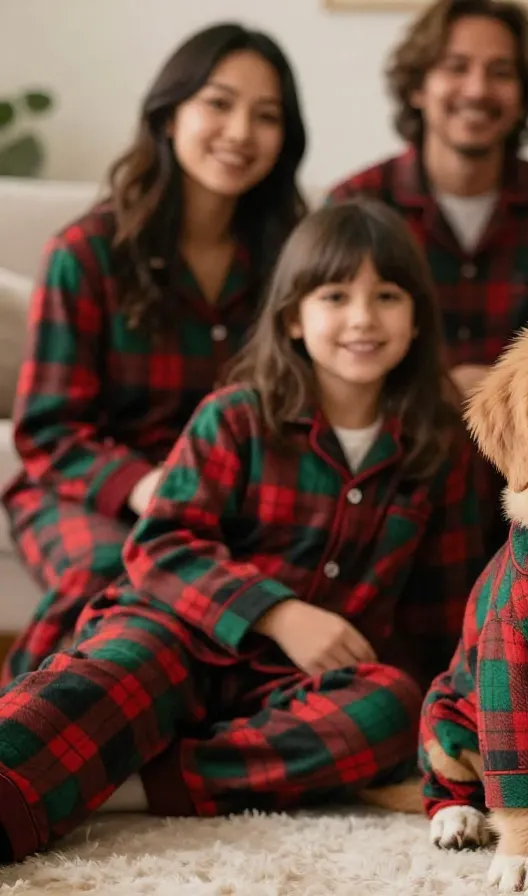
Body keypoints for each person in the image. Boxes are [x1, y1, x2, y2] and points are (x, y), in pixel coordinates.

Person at [0, 198, 493, 864]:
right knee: (116, 670)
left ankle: (134, 783)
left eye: (387, 296)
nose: (361, 319)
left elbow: (443, 610)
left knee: (391, 708)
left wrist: (449, 718)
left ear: (416, 321)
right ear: (293, 318)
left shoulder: (440, 444)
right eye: (335, 295)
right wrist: (280, 615)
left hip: (301, 686)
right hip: (181, 632)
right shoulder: (237, 415)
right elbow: (161, 545)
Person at [1, 22, 309, 683]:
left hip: (229, 494)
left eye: (266, 116)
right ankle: (23, 731)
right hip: (91, 489)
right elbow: (48, 431)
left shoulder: (292, 259)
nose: (240, 132)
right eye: (218, 104)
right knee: (111, 568)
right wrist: (145, 487)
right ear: (170, 115)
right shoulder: (87, 253)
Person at [326, 0, 528, 399]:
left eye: (501, 72)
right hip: (393, 443)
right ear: (417, 87)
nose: (477, 90)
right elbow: (330, 357)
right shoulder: (355, 205)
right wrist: (438, 391)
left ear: (524, 95)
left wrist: (495, 393)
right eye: (456, 67)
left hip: (527, 449)